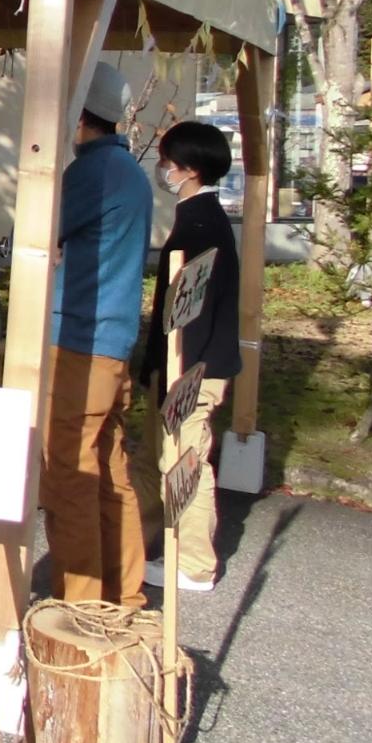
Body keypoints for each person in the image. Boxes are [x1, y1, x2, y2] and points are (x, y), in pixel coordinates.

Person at [43, 61, 154, 609]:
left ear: (81, 115)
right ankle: (126, 593)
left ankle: (80, 604)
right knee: (110, 469)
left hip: (79, 344)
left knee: (69, 472)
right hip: (113, 342)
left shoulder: (90, 173)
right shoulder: (132, 173)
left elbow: (38, 229)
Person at [132, 121, 240, 592]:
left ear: (189, 170)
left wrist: (179, 378)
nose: (164, 169)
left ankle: (195, 564)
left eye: (169, 162)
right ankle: (147, 545)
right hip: (181, 365)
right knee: (162, 458)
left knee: (185, 461)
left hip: (192, 367)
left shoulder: (199, 227)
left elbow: (189, 313)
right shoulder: (201, 218)